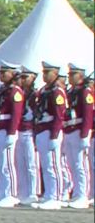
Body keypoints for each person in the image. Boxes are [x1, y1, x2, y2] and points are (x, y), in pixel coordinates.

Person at [31, 63, 69, 210]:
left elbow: (59, 116)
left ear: (55, 74)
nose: (44, 75)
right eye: (44, 72)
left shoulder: (57, 92)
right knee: (46, 165)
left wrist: (55, 135)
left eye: (48, 72)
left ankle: (55, 197)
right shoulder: (44, 91)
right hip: (42, 130)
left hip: (50, 131)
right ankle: (48, 195)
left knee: (53, 165)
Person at [0, 63, 25, 207]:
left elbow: (16, 114)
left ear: (13, 74)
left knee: (6, 165)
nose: (2, 75)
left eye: (5, 72)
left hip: (5, 130)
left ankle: (11, 194)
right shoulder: (2, 90)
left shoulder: (15, 91)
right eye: (1, 72)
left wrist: (12, 132)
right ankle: (2, 194)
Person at [62, 64, 92, 209]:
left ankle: (82, 195)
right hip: (69, 130)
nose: (69, 77)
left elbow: (87, 115)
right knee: (72, 164)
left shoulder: (85, 92)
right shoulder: (72, 91)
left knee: (80, 165)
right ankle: (76, 194)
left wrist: (85, 134)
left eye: (72, 74)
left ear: (80, 75)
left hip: (78, 131)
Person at [17, 67, 41, 204]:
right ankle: (23, 192)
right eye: (22, 77)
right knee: (21, 163)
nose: (23, 80)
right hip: (21, 130)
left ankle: (33, 192)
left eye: (26, 77)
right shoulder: (22, 93)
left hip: (30, 131)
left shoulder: (34, 95)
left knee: (31, 164)